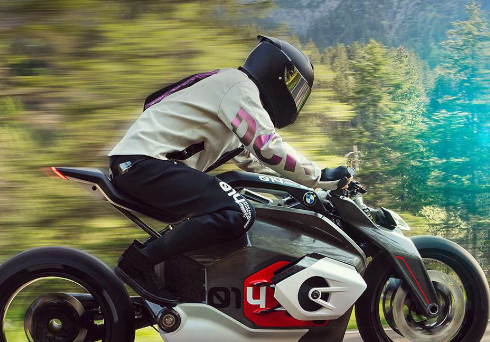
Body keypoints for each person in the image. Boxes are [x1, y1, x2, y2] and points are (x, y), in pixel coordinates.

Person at [108, 35, 352, 303]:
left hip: (146, 165)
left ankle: (177, 280)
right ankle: (141, 262)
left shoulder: (237, 98)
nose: (295, 98)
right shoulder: (238, 88)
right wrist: (317, 176)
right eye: (294, 88)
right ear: (277, 74)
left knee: (234, 205)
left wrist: (312, 191)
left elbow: (257, 165)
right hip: (143, 164)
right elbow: (268, 147)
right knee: (238, 211)